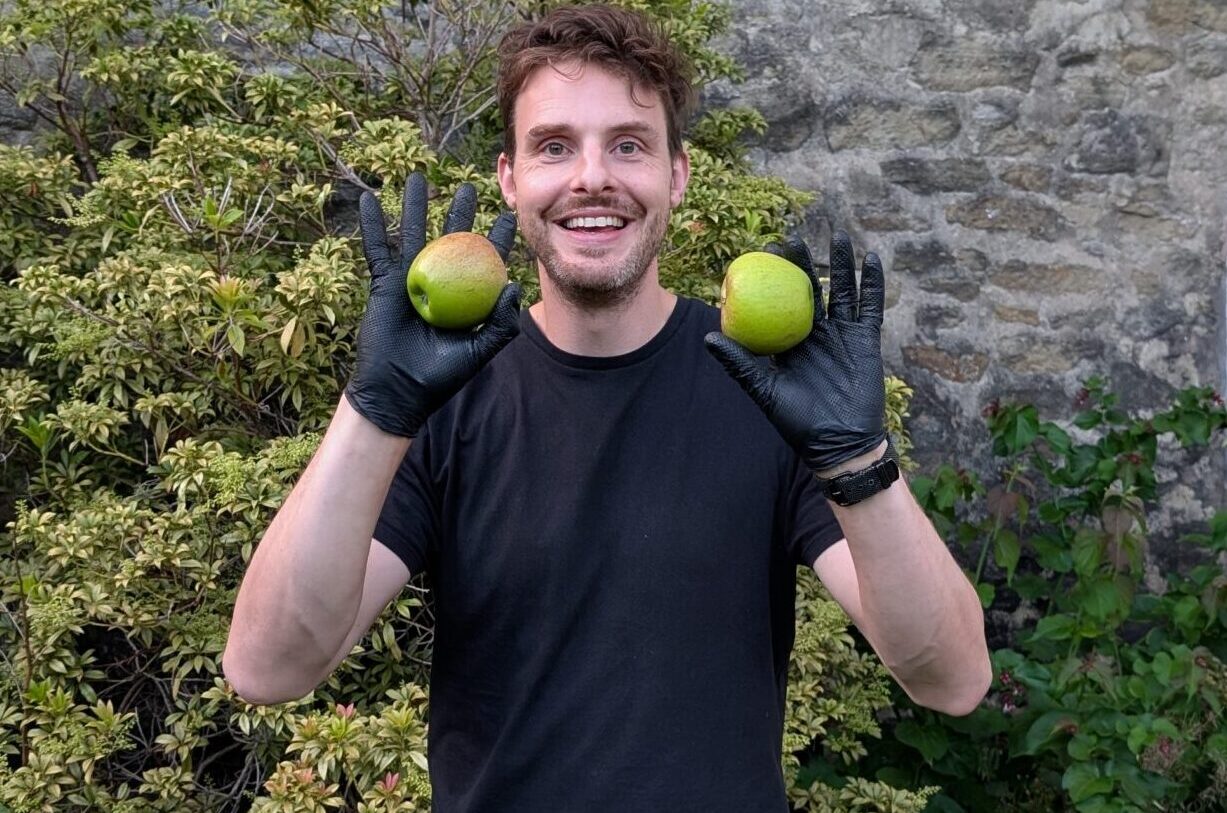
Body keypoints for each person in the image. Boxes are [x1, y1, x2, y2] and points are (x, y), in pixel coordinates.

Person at [222, 4, 991, 810]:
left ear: (676, 176)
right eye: (555, 147)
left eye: (628, 144)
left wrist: (857, 461)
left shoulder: (771, 393)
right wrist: (375, 409)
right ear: (511, 178)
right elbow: (269, 667)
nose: (592, 176)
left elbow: (951, 678)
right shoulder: (439, 394)